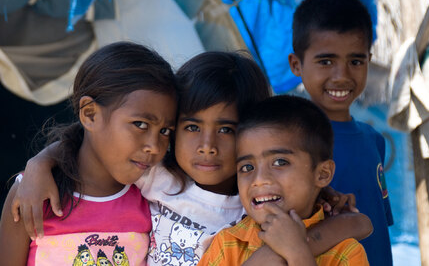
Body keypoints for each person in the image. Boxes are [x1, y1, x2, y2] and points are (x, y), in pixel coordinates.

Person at [11, 51, 371, 266]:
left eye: (227, 130)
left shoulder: (255, 205)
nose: (207, 145)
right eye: (191, 127)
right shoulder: (156, 176)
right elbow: (95, 148)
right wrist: (40, 163)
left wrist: (329, 202)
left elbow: (360, 225)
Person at [0, 42, 178, 265]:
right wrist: (38, 164)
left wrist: (41, 162)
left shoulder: (156, 198)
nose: (155, 146)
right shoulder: (33, 195)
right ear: (90, 114)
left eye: (164, 131)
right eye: (140, 124)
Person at [198, 95, 369, 266]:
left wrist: (298, 253)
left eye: (280, 162)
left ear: (323, 174)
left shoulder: (346, 253)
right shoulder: (227, 245)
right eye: (247, 168)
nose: (259, 180)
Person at [288, 0, 394, 265]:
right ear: (296, 64)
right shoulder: (289, 141)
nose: (342, 75)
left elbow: (378, 224)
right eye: (326, 61)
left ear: (369, 61)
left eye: (355, 61)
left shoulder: (374, 141)